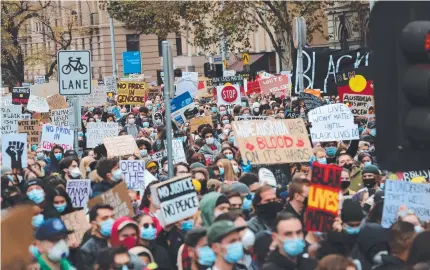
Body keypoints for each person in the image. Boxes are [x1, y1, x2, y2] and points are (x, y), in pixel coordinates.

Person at [76, 204, 115, 269]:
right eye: (105, 218)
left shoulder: (119, 240)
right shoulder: (87, 250)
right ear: (93, 224)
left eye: (112, 217)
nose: (111, 221)